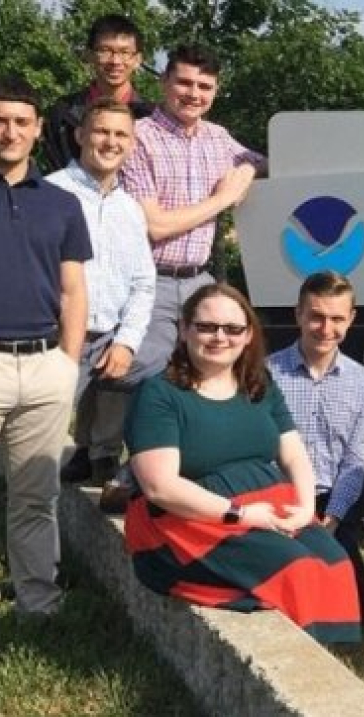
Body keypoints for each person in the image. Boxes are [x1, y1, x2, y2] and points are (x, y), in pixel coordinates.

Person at [122, 283, 361, 644]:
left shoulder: (258, 383)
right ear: (185, 329)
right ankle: (294, 673)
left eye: (233, 329)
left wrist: (305, 509)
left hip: (267, 502)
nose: (220, 337)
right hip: (188, 518)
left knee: (336, 563)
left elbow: (294, 454)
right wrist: (240, 515)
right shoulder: (159, 393)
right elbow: (160, 487)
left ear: (248, 335)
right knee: (295, 570)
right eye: (207, 327)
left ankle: (328, 660)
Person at [104, 43, 265, 511]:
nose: (193, 93)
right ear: (165, 83)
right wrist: (223, 199)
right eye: (185, 82)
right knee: (151, 373)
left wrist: (248, 173)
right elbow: (154, 225)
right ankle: (129, 469)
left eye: (205, 86)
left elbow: (261, 163)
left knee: (206, 371)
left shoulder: (220, 139)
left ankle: (174, 469)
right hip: (149, 278)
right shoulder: (141, 137)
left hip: (199, 280)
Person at [0, 77, 91, 618]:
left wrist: (68, 363)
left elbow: (73, 288)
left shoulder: (61, 205)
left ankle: (39, 605)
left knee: (35, 498)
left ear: (36, 131)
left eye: (19, 122)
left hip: (44, 366)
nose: (8, 132)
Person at [47, 99, 156, 487]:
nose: (111, 142)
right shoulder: (50, 194)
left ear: (131, 143)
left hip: (108, 339)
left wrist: (127, 342)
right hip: (55, 341)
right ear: (80, 136)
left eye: (120, 134)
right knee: (31, 451)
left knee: (161, 370)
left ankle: (110, 459)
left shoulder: (131, 209)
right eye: (101, 132)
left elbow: (144, 282)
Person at [267, 271, 364, 622]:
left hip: (330, 504)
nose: (325, 328)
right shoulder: (264, 373)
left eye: (336, 318)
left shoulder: (363, 383)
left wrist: (330, 521)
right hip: (275, 496)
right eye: (316, 316)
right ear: (298, 314)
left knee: (358, 610)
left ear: (352, 319)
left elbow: (355, 461)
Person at [40, 14, 153, 172]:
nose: (115, 61)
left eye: (124, 52)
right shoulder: (63, 115)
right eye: (105, 51)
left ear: (137, 60)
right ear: (89, 55)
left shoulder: (151, 117)